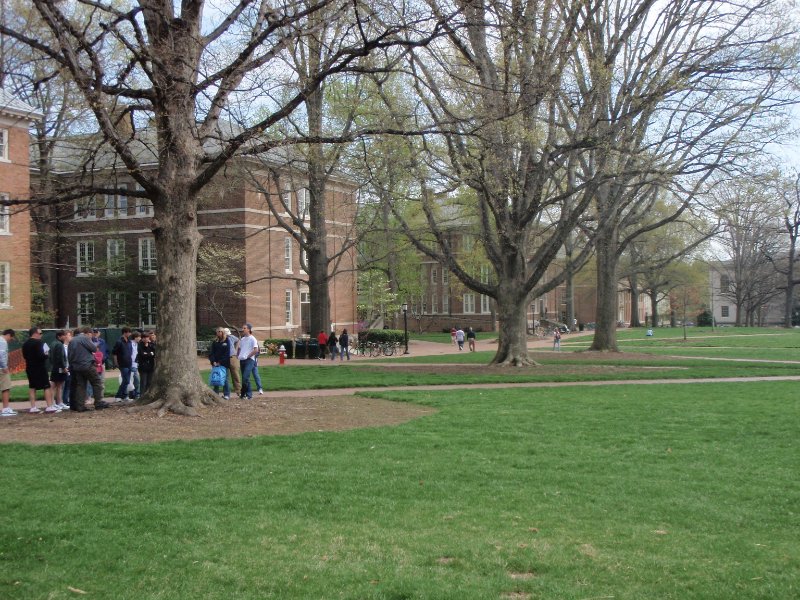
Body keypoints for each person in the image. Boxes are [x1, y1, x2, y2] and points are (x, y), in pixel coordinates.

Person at [68, 326, 110, 412]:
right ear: (88, 333)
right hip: (87, 364)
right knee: (97, 382)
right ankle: (98, 403)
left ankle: (80, 406)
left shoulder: (72, 340)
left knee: (81, 385)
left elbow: (70, 355)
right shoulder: (84, 338)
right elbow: (94, 348)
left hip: (76, 366)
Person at [22, 326, 58, 413]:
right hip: (39, 367)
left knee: (32, 386)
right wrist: (46, 354)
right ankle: (49, 406)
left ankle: (33, 407)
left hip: (29, 367)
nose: (41, 335)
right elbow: (42, 356)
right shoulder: (39, 343)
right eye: (40, 333)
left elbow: (24, 356)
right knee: (46, 386)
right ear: (35, 333)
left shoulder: (25, 344)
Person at [49, 329, 71, 410]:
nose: (65, 337)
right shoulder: (59, 345)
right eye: (63, 335)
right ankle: (58, 402)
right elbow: (60, 357)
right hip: (59, 368)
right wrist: (64, 367)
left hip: (55, 367)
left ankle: (57, 402)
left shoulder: (53, 344)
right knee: (58, 386)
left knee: (57, 386)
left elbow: (50, 356)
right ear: (59, 336)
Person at [237, 323, 259, 399]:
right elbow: (240, 348)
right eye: (243, 328)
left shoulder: (253, 339)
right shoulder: (242, 339)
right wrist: (238, 355)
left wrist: (248, 356)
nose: (243, 329)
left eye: (244, 328)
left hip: (249, 360)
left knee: (245, 377)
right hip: (242, 360)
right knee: (245, 378)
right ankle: (249, 395)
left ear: (249, 329)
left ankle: (243, 393)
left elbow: (256, 350)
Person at [208, 328, 231, 399]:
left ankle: (226, 394)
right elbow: (212, 352)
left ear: (223, 332)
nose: (218, 333)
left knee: (225, 379)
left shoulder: (227, 341)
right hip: (215, 364)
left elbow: (227, 353)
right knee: (216, 378)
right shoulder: (215, 341)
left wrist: (220, 362)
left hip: (224, 363)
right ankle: (216, 394)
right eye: (217, 332)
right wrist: (213, 361)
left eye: (220, 331)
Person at [112, 327, 133, 402]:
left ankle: (124, 396)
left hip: (129, 363)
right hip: (122, 364)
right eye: (129, 332)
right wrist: (116, 363)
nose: (130, 334)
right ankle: (118, 396)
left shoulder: (129, 341)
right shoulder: (119, 342)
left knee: (127, 381)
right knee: (126, 380)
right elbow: (114, 353)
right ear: (124, 332)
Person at [0, 329, 17, 416]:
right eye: (11, 338)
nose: (10, 340)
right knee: (6, 387)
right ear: (9, 335)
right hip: (1, 369)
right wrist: (4, 367)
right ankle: (5, 409)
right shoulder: (3, 341)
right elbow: (1, 354)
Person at [224, 327, 242, 396]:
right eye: (226, 334)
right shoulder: (221, 339)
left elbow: (238, 340)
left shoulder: (231, 337)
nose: (227, 335)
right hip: (225, 358)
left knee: (235, 374)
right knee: (226, 376)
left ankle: (239, 391)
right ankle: (227, 393)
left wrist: (236, 349)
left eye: (228, 334)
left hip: (233, 357)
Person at [137, 331, 156, 396]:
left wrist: (149, 354)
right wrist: (150, 353)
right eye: (144, 338)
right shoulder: (140, 345)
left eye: (147, 337)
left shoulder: (151, 345)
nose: (146, 339)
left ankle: (147, 395)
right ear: (142, 338)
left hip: (150, 366)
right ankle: (142, 395)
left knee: (149, 382)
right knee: (143, 382)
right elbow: (142, 355)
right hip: (143, 367)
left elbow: (154, 353)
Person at [129, 331, 142, 400]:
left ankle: (132, 394)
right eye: (139, 337)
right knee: (136, 379)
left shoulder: (138, 344)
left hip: (136, 364)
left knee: (134, 380)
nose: (140, 338)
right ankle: (137, 394)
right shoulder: (130, 344)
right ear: (135, 337)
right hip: (132, 364)